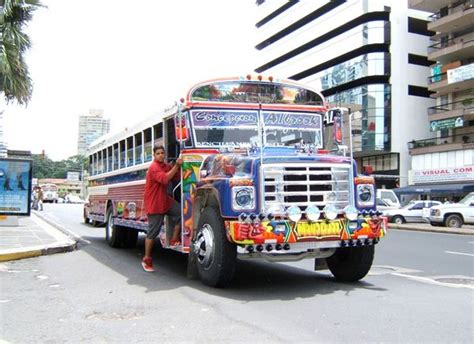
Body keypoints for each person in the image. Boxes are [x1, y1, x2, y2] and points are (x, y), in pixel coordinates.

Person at [141, 145, 183, 272]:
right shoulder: (153, 168)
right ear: (154, 155)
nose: (160, 155)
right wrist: (176, 166)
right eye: (158, 153)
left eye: (162, 153)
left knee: (182, 212)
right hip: (155, 204)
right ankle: (146, 259)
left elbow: (175, 176)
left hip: (165, 201)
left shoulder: (165, 166)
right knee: (153, 233)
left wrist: (180, 167)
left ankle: (175, 238)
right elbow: (165, 179)